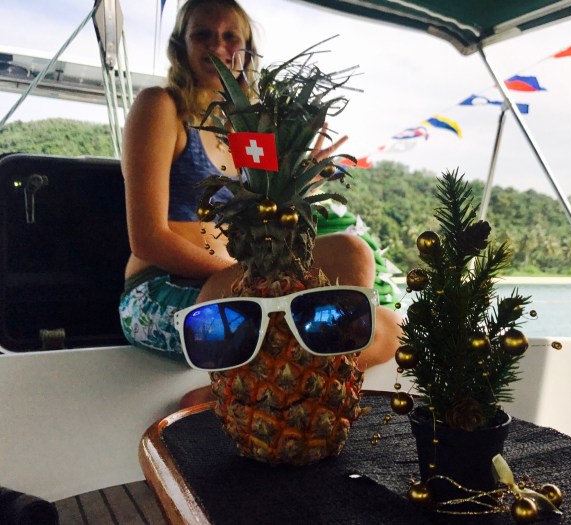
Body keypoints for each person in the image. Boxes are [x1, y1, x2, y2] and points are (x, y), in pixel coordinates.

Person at [118, 0, 403, 405]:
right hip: (167, 290)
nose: (218, 45)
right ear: (181, 45)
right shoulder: (161, 106)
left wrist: (303, 185)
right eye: (203, 34)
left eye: (230, 36)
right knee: (356, 294)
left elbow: (269, 220)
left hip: (241, 286)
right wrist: (246, 276)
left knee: (379, 309)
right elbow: (148, 238)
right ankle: (264, 390)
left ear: (246, 52)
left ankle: (239, 395)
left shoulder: (247, 130)